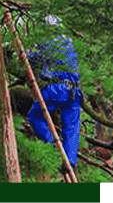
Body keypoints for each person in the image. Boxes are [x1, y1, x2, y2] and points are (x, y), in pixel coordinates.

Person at [27, 32, 82, 171]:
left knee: (35, 117)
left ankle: (54, 146)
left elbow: (35, 60)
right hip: (75, 91)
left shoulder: (47, 40)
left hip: (57, 89)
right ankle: (70, 160)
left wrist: (25, 55)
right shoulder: (69, 42)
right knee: (72, 127)